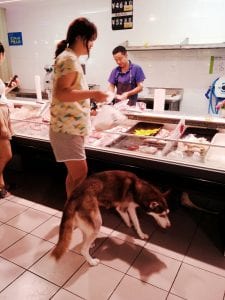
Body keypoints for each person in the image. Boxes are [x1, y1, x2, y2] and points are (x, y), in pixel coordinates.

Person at [49, 17, 108, 199]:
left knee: (74, 175)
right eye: (91, 40)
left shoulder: (69, 58)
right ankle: (74, 212)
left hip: (71, 129)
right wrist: (93, 94)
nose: (92, 45)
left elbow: (69, 93)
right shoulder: (69, 59)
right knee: (81, 174)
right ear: (81, 37)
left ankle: (70, 212)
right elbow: (62, 93)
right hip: (67, 130)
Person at [0, 42, 18, 198]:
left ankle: (1, 186)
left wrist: (9, 87)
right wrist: (2, 126)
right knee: (6, 154)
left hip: (2, 115)